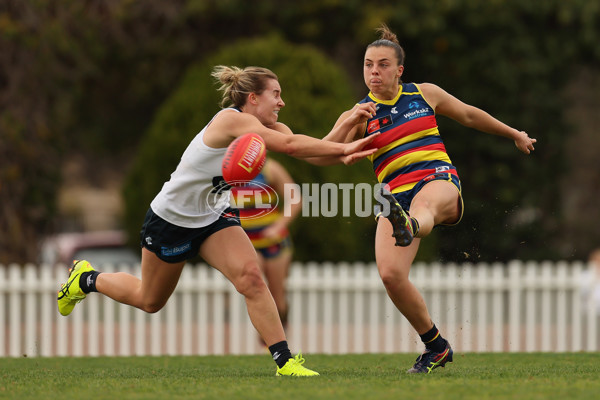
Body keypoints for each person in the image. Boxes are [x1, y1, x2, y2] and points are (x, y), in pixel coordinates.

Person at [57, 65, 379, 377]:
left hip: (214, 216)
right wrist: (345, 146)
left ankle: (286, 362)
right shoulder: (230, 120)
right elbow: (297, 146)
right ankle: (86, 278)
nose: (282, 102)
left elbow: (315, 152)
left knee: (252, 278)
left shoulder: (270, 131)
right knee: (149, 300)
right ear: (253, 98)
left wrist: (348, 123)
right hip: (171, 219)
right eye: (276, 94)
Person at [325, 24, 537, 374]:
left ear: (399, 70)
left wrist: (514, 133)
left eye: (382, 64)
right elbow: (324, 152)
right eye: (367, 65)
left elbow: (469, 114)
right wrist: (347, 124)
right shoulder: (360, 112)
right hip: (394, 193)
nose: (374, 72)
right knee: (391, 275)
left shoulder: (424, 94)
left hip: (437, 180)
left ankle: (408, 224)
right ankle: (436, 346)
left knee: (421, 207)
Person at [231, 158, 301, 336]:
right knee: (257, 290)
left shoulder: (270, 168)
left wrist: (278, 226)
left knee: (277, 297)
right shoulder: (226, 171)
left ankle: (282, 336)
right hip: (246, 243)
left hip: (273, 243)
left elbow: (295, 199)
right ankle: (267, 343)